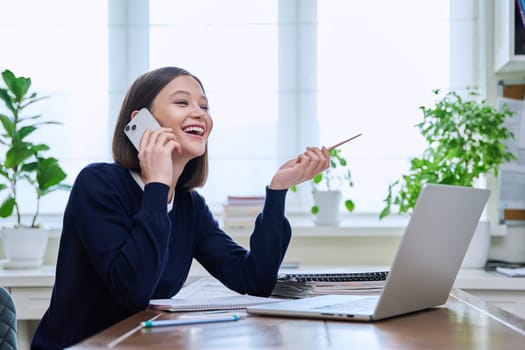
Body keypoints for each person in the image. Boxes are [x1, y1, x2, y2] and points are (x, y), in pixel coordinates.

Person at [31, 66, 330, 349]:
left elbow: (255, 280)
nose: (199, 113)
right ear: (141, 122)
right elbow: (133, 289)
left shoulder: (189, 206)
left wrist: (278, 191)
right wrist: (157, 184)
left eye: (204, 106)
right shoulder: (98, 184)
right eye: (182, 102)